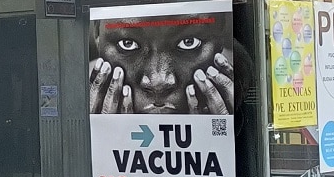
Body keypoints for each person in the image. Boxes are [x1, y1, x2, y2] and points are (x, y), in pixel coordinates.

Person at [88, 12, 234, 115]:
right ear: (97, 35)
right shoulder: (72, 93)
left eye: (188, 42)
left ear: (219, 39)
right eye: (128, 43)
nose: (158, 82)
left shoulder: (249, 80)